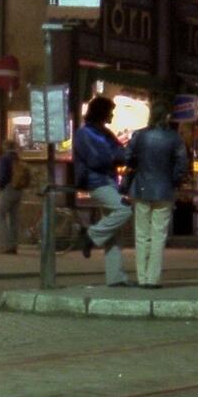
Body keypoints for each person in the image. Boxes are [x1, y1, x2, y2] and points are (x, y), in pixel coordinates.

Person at [125, 101, 189, 289]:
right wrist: (174, 181)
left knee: (142, 234)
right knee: (158, 235)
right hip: (164, 190)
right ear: (167, 117)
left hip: (141, 188)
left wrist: (138, 166)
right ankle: (153, 278)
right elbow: (181, 165)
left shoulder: (139, 136)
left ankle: (142, 277)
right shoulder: (174, 138)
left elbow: (127, 157)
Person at [72, 96, 133, 286]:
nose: (112, 115)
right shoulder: (84, 133)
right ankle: (91, 235)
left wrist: (117, 156)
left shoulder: (104, 132)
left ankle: (115, 278)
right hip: (96, 182)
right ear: (102, 112)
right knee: (124, 210)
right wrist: (115, 156)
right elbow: (97, 159)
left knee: (114, 235)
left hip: (108, 180)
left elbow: (120, 155)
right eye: (110, 111)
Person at [0, 140, 26, 254]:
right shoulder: (18, 158)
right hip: (19, 190)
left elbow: (2, 176)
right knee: (14, 218)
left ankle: (4, 245)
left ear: (5, 146)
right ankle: (13, 245)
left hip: (8, 189)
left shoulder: (5, 158)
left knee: (0, 216)